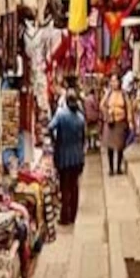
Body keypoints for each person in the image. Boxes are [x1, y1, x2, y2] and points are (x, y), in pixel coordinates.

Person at [49, 89, 86, 224]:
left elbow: (50, 127)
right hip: (77, 156)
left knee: (64, 187)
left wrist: (55, 141)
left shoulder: (60, 114)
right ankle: (73, 215)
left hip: (64, 155)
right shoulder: (80, 117)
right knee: (74, 186)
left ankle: (65, 216)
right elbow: (83, 138)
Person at [102, 72, 131, 175]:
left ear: (119, 82)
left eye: (116, 81)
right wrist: (107, 113)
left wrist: (130, 121)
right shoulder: (108, 93)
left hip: (121, 122)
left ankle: (118, 167)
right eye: (112, 81)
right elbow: (102, 105)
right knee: (110, 147)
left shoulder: (124, 94)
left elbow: (128, 107)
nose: (114, 83)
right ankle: (111, 168)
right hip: (111, 122)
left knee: (120, 146)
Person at [83, 88, 100, 152]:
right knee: (95, 131)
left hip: (87, 117)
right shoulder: (94, 99)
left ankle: (90, 145)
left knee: (88, 132)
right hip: (94, 117)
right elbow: (96, 107)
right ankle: (94, 144)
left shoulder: (86, 99)